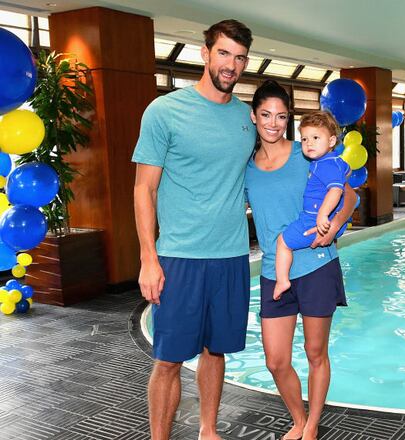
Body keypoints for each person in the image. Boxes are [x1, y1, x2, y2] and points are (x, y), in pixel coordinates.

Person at [133, 20, 255, 440]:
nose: (231, 64)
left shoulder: (247, 118)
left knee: (215, 350)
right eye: (224, 53)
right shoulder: (165, 111)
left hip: (232, 257)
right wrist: (149, 258)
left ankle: (208, 431)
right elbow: (143, 189)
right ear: (205, 54)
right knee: (167, 359)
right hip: (180, 257)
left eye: (239, 57)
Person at [245, 80, 356, 440]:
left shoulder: (306, 153)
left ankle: (311, 425)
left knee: (314, 351)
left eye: (281, 115)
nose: (273, 123)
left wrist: (334, 225)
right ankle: (297, 417)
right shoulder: (246, 167)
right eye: (266, 115)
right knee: (276, 360)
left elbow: (348, 197)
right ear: (254, 116)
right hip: (273, 270)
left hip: (317, 265)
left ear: (289, 118)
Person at [274, 111, 349, 300]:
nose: (309, 143)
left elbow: (336, 190)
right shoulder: (331, 161)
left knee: (283, 242)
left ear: (331, 141)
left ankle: (282, 280)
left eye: (316, 137)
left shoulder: (325, 164)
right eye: (305, 139)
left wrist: (323, 215)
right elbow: (347, 172)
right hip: (324, 220)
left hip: (313, 221)